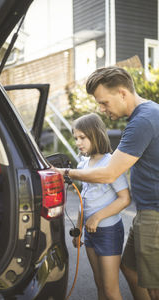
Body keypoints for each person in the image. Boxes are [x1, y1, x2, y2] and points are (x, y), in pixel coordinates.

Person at [55, 66, 159, 300]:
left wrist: (64, 172)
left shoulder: (143, 121)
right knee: (130, 268)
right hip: (147, 211)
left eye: (104, 102)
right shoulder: (149, 113)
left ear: (122, 93)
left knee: (154, 284)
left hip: (155, 213)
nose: (101, 110)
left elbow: (109, 174)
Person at [68, 113, 130, 300]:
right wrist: (79, 228)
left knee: (111, 289)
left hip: (109, 231)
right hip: (89, 231)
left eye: (82, 138)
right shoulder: (83, 164)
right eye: (76, 138)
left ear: (95, 135)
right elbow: (83, 200)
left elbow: (124, 199)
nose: (78, 142)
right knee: (99, 283)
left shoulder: (110, 163)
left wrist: (97, 217)